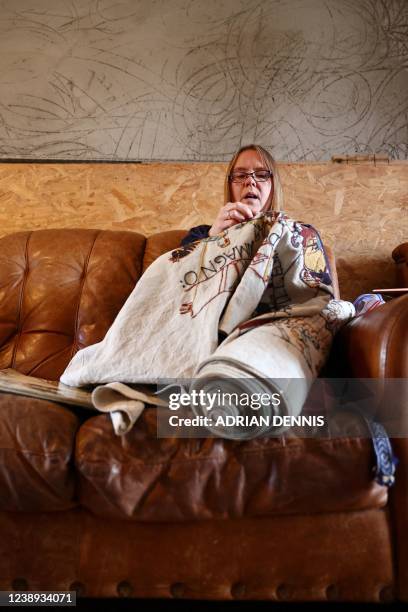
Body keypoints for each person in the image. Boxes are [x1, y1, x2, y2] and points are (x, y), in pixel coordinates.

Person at [181, 144, 284, 246]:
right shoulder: (197, 236)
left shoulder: (293, 236)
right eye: (240, 175)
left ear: (274, 187)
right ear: (229, 187)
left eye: (261, 175)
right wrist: (212, 238)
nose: (250, 181)